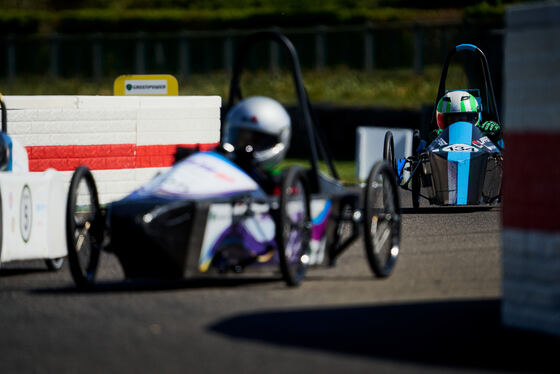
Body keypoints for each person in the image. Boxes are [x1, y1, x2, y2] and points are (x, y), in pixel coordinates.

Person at [221, 96, 291, 192]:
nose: (246, 148)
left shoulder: (282, 183)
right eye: (241, 138)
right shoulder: (220, 170)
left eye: (255, 140)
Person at [429, 90, 502, 145]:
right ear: (443, 120)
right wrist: (431, 144)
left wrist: (497, 137)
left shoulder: (485, 136)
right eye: (453, 119)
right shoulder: (436, 140)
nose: (458, 124)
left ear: (475, 117)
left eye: (463, 119)